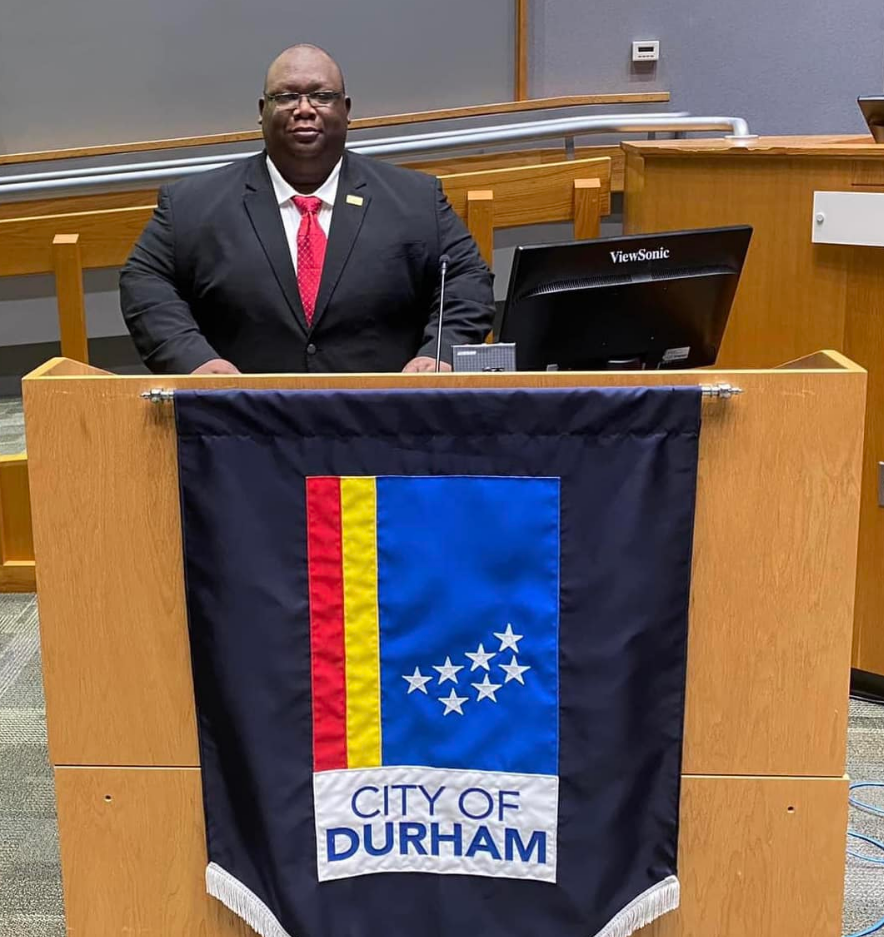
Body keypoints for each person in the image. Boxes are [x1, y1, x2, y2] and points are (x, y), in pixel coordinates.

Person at [120, 45, 495, 375]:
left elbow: (466, 280)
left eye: (322, 96)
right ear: (262, 110)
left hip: (383, 424)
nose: (303, 109)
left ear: (346, 111)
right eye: (286, 97)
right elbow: (144, 283)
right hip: (241, 425)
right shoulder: (192, 204)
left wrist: (441, 354)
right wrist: (194, 360)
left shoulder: (414, 199)